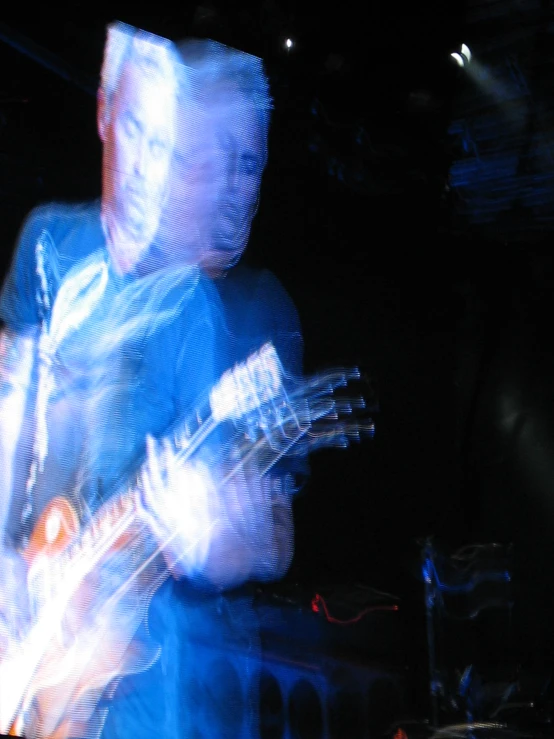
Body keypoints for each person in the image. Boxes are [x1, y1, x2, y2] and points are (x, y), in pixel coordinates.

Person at [0, 22, 294, 739]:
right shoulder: (51, 244)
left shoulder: (202, 313)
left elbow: (269, 538)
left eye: (247, 163)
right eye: (141, 131)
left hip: (137, 682)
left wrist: (208, 536)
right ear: (104, 113)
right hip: (31, 629)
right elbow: (10, 404)